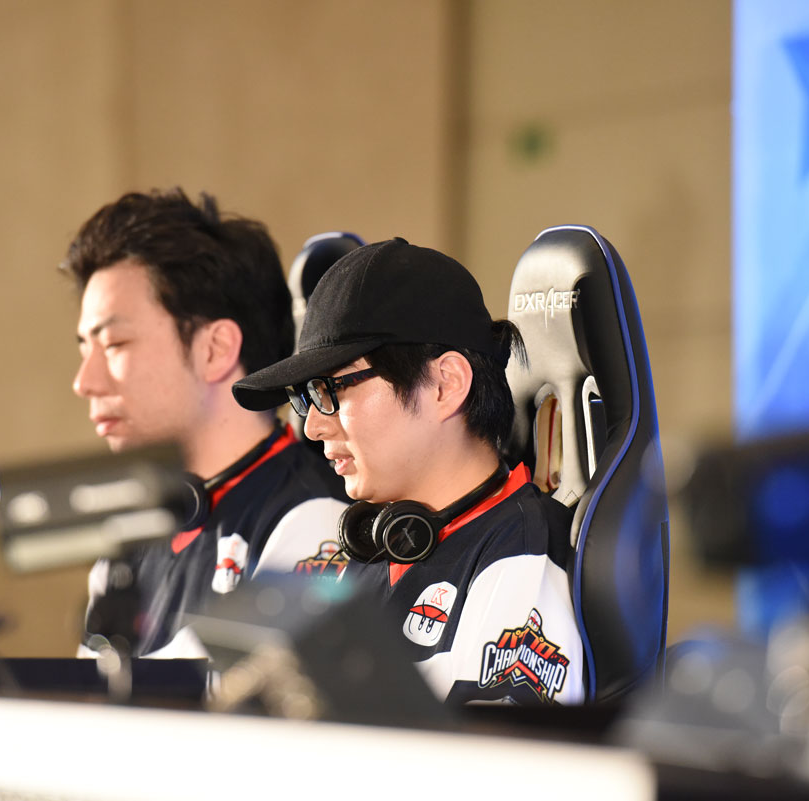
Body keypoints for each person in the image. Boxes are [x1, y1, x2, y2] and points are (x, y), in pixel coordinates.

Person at [232, 237, 585, 704]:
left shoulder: (520, 562)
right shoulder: (381, 546)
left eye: (331, 390)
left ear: (444, 384)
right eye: (306, 398)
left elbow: (501, 751)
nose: (313, 426)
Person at [63, 188, 347, 658]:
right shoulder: (131, 537)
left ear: (215, 349)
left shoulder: (316, 520)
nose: (84, 382)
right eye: (83, 349)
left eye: (113, 345)